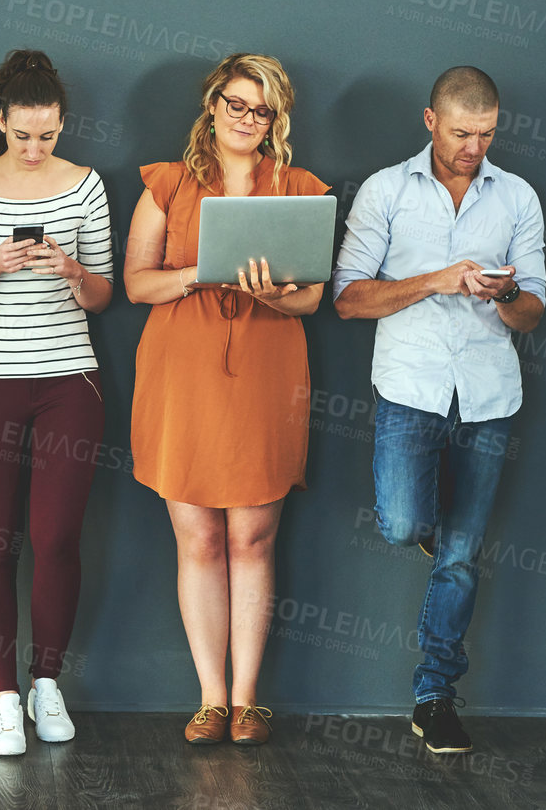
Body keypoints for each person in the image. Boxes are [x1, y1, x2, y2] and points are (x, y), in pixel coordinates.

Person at [332, 65, 546, 755]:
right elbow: (348, 297)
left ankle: (435, 696)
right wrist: (437, 280)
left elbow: (536, 311)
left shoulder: (517, 198)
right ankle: (430, 524)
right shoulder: (386, 191)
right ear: (431, 121)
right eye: (461, 132)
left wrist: (503, 296)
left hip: (488, 395)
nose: (473, 147)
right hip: (411, 390)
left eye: (485, 134)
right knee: (402, 524)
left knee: (459, 559)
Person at [124, 54, 328, 747]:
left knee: (252, 536)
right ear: (212, 106)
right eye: (236, 104)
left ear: (277, 120)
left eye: (261, 110)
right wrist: (195, 273)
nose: (246, 119)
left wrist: (273, 292)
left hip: (269, 370)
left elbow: (312, 298)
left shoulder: (299, 187)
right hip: (183, 371)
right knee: (199, 537)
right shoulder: (170, 182)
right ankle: (210, 698)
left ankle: (247, 701)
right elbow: (135, 284)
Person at [0, 50, 114, 756]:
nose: (35, 150)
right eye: (22, 135)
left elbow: (103, 295)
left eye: (48, 135)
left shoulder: (86, 185)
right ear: (0, 121)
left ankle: (46, 681)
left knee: (57, 538)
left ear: (63, 124)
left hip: (70, 381)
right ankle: (3, 697)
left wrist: (71, 269)